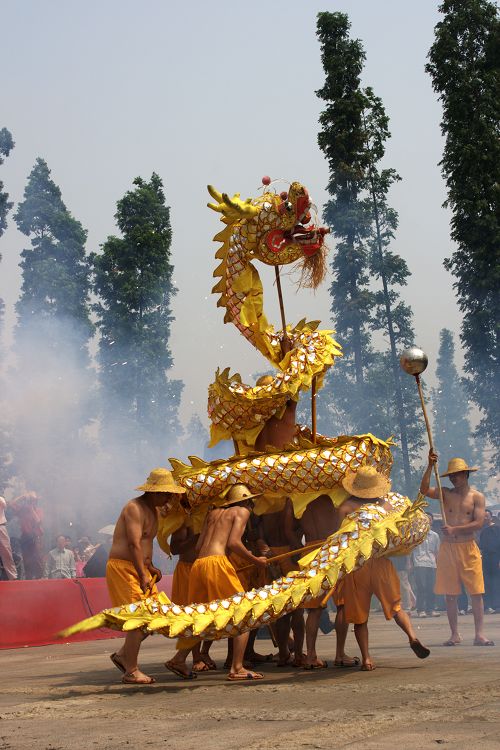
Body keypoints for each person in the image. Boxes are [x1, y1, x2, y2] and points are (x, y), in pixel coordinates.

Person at [165, 483, 268, 681]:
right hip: (216, 563)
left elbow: (198, 548)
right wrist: (256, 561)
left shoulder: (212, 514)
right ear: (246, 500)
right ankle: (237, 667)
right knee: (244, 613)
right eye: (251, 502)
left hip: (199, 565)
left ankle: (179, 659)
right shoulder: (242, 512)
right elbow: (233, 543)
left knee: (200, 616)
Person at [334, 465, 430, 671]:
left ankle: (367, 659)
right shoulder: (385, 506)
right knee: (396, 608)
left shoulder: (345, 508)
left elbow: (339, 541)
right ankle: (412, 637)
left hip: (356, 566)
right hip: (380, 563)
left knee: (360, 618)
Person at [107, 467, 185, 685]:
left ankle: (123, 656)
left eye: (170, 494)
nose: (169, 497)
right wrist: (142, 573)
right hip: (125, 568)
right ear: (153, 492)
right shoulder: (134, 508)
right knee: (138, 619)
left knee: (153, 618)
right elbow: (133, 543)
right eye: (165, 493)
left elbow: (145, 544)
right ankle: (131, 671)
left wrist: (150, 568)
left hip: (141, 569)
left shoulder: (154, 510)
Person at [420, 452, 494, 646]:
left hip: (468, 547)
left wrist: (455, 529)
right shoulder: (445, 493)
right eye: (452, 475)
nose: (454, 478)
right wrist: (429, 465)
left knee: (476, 593)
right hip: (448, 548)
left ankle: (479, 634)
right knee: (450, 595)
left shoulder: (477, 496)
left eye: (458, 474)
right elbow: (424, 489)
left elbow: (478, 523)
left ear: (466, 475)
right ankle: (455, 634)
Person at [260, 499, 305, 667]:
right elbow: (288, 531)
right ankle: (298, 654)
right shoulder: (289, 500)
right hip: (290, 552)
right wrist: (296, 549)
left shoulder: (262, 502)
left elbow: (259, 535)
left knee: (281, 611)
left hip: (271, 555)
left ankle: (284, 653)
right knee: (297, 610)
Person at [299, 494, 339, 669]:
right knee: (343, 605)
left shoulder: (303, 504)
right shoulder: (334, 502)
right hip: (330, 552)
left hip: (308, 553)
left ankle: (310, 655)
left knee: (313, 610)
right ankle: (340, 654)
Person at [170, 523, 216, 672]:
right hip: (187, 570)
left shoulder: (212, 517)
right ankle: (196, 658)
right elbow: (175, 549)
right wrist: (197, 537)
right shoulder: (184, 521)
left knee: (212, 614)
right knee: (193, 616)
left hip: (207, 568)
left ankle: (204, 653)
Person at [411, 512, 441, 617]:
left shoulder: (435, 536)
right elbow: (410, 550)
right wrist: (411, 564)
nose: (427, 521)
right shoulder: (416, 535)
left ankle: (430, 609)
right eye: (425, 519)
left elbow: (437, 551)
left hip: (432, 564)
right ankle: (421, 610)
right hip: (419, 563)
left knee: (431, 587)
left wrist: (438, 565)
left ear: (432, 521)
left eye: (429, 519)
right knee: (421, 587)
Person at [479, 510, 500, 614]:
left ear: (491, 517)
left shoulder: (497, 529)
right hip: (484, 559)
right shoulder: (481, 530)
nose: (485, 518)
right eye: (483, 516)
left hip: (496, 559)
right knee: (486, 583)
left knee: (496, 582)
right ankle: (488, 606)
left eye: (487, 516)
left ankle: (497, 605)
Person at [0, 496, 18, 580]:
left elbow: (4, 504)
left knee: (6, 552)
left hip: (1, 527)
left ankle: (13, 577)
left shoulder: (0, 499)